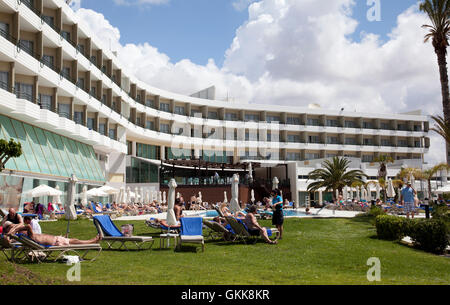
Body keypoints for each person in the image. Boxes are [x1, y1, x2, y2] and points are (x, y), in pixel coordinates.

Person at [3, 220, 101, 247]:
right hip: (56, 241)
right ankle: (92, 241)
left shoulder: (26, 236)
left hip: (56, 239)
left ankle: (92, 241)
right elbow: (28, 226)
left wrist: (14, 229)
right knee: (75, 241)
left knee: (74, 240)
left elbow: (25, 226)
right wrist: (15, 229)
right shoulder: (29, 236)